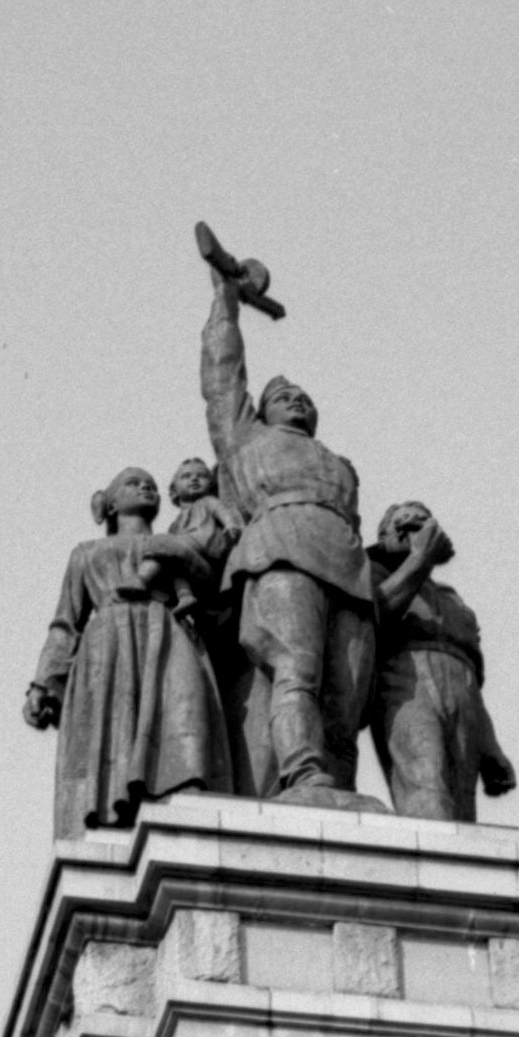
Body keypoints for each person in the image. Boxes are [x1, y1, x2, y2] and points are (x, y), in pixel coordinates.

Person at [197, 253, 371, 800]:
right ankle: (301, 770)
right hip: (280, 554)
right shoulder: (246, 441)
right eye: (282, 398)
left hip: (348, 568)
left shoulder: (341, 466)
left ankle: (338, 790)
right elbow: (223, 377)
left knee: (344, 698)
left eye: (304, 399)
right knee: (297, 668)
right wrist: (226, 300)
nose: (295, 400)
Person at [22, 467, 234, 839]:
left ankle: (187, 801)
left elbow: (208, 583)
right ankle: (114, 811)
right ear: (112, 503)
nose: (145, 487)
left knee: (184, 712)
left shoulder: (178, 540)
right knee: (117, 729)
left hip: (170, 630)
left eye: (151, 485)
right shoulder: (86, 553)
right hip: (109, 645)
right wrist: (42, 682)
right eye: (133, 483)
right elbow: (65, 624)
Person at [365, 502, 517, 824]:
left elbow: (471, 682)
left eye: (423, 526)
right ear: (385, 536)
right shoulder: (373, 572)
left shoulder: (451, 599)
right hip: (404, 682)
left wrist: (491, 746)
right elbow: (373, 617)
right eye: (404, 527)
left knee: (462, 810)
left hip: (462, 693)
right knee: (427, 788)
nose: (414, 534)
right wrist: (420, 560)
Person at [163, 456, 247, 789]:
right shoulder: (176, 523)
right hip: (189, 558)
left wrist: (233, 527)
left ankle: (156, 584)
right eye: (187, 477)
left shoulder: (209, 505)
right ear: (173, 491)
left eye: (200, 476)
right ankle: (185, 596)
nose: (195, 480)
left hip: (208, 550)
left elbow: (227, 514)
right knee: (169, 557)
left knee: (164, 551)